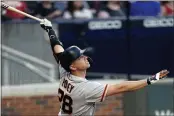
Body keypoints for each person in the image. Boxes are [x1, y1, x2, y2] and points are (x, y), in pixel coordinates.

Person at [40, 19, 169, 115]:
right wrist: (151, 79)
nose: (85, 57)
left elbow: (57, 49)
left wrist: (50, 30)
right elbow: (122, 87)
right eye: (80, 57)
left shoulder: (65, 70)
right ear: (73, 66)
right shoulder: (85, 89)